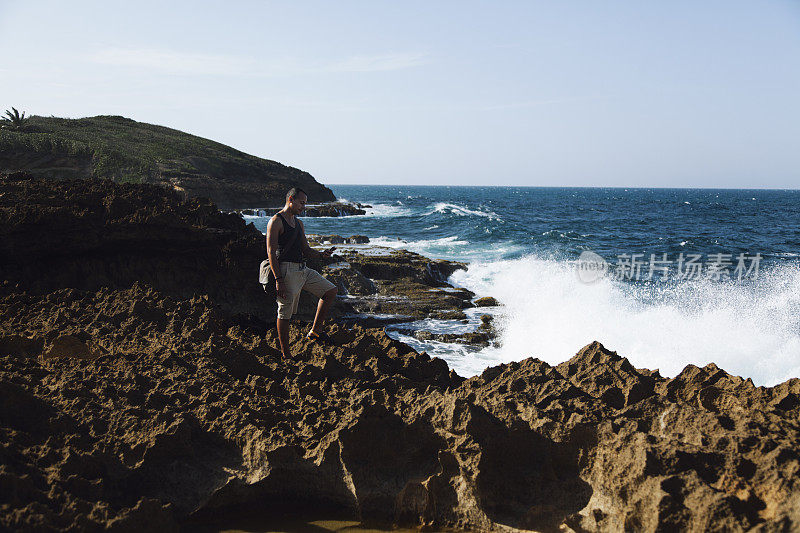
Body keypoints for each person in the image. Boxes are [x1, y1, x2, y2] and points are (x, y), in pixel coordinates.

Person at [266, 187, 338, 358]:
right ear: (291, 199)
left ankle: (315, 332)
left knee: (330, 291)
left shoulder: (299, 223)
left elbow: (305, 249)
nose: (303, 207)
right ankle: (286, 354)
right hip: (286, 270)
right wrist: (278, 279)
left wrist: (321, 254)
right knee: (284, 313)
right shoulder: (275, 221)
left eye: (305, 204)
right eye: (301, 203)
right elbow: (270, 252)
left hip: (302, 269)